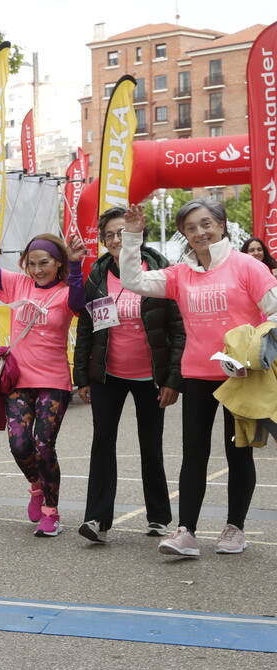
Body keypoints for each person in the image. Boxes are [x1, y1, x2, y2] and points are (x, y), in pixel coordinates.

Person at [119, 201, 277, 556]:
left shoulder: (247, 266)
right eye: (191, 227)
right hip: (197, 375)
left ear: (221, 225)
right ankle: (185, 532)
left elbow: (274, 310)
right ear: (185, 234)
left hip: (242, 376)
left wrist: (256, 349)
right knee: (194, 454)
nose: (200, 232)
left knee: (239, 455)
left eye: (206, 224)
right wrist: (132, 236)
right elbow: (134, 280)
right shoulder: (179, 274)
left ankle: (234, 529)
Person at [0, 200, 86, 536]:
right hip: (17, 380)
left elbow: (78, 304)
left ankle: (51, 512)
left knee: (44, 444)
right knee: (19, 444)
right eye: (32, 264)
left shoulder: (65, 290)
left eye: (44, 263)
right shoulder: (17, 283)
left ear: (57, 263)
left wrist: (76, 266)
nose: (38, 269)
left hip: (54, 381)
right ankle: (35, 486)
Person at [73, 208, 184, 543]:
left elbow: (179, 331)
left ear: (138, 233)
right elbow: (86, 329)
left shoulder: (162, 271)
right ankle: (96, 519)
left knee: (151, 445)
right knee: (102, 443)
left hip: (151, 377)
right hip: (108, 376)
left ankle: (159, 518)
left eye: (123, 232)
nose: (116, 240)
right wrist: (82, 377)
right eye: (109, 234)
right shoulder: (97, 275)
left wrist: (172, 380)